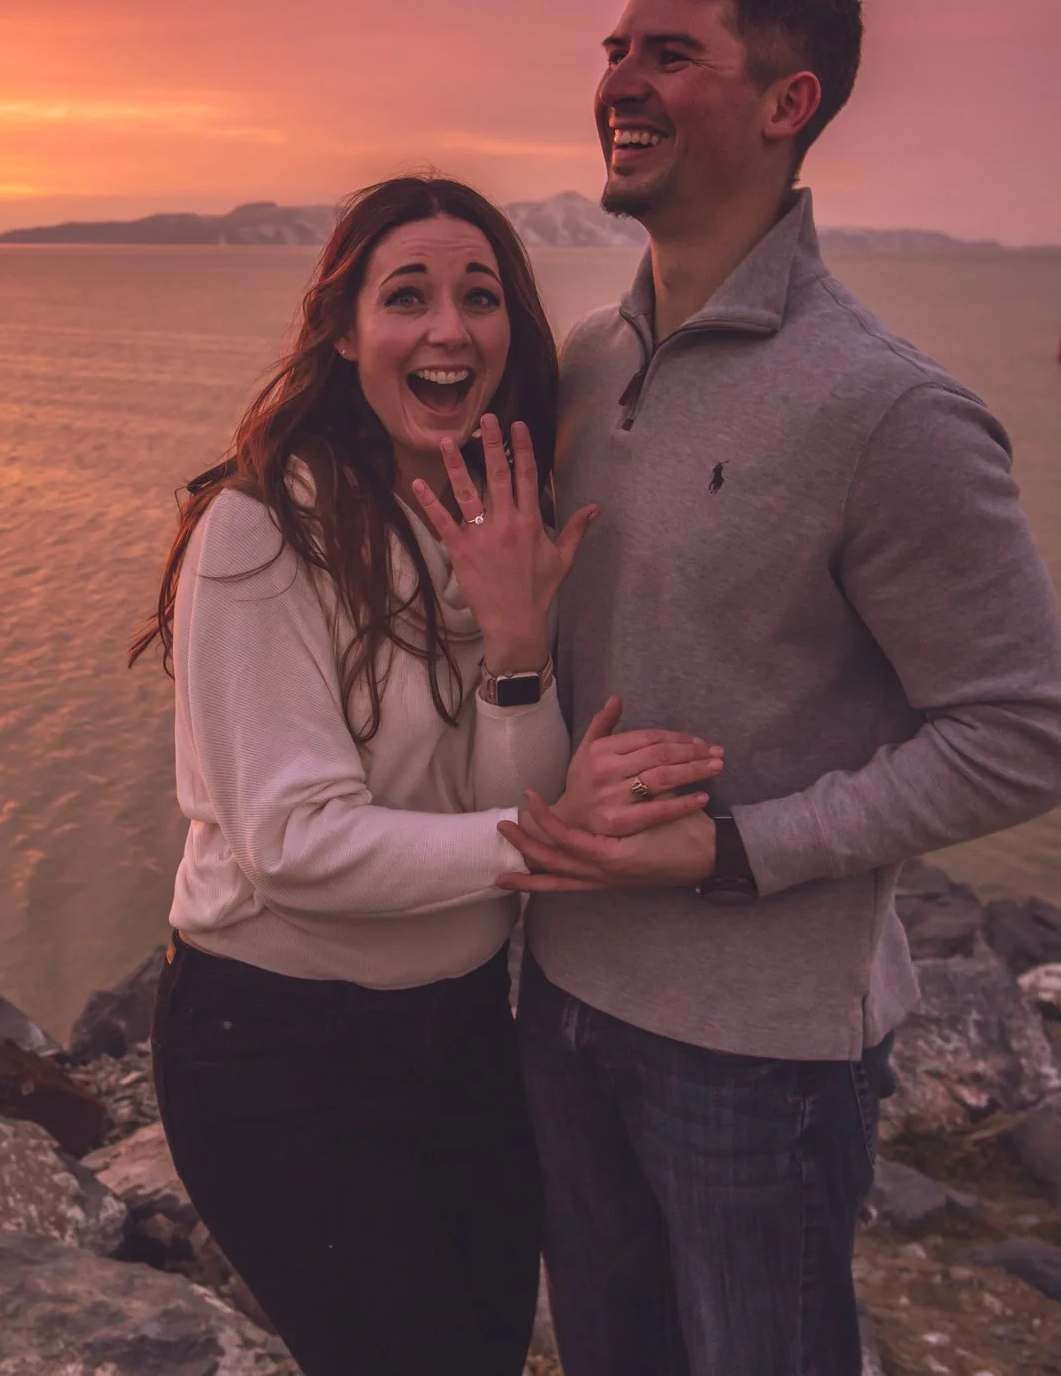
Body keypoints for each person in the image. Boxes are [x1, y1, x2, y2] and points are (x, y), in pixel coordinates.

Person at [501, 0, 1061, 1374]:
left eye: (672, 52)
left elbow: (1018, 733)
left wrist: (733, 846)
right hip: (559, 991)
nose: (622, 80)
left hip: (759, 1056)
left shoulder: (888, 412)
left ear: (788, 102)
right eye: (615, 49)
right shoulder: (582, 361)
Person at [132, 175, 720, 1376]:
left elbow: (520, 798)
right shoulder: (260, 531)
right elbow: (295, 845)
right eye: (408, 296)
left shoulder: (500, 516)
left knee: (484, 1351)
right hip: (278, 1052)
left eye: (480, 295)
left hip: (460, 1034)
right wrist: (544, 838)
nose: (449, 328)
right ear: (343, 333)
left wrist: (516, 648)